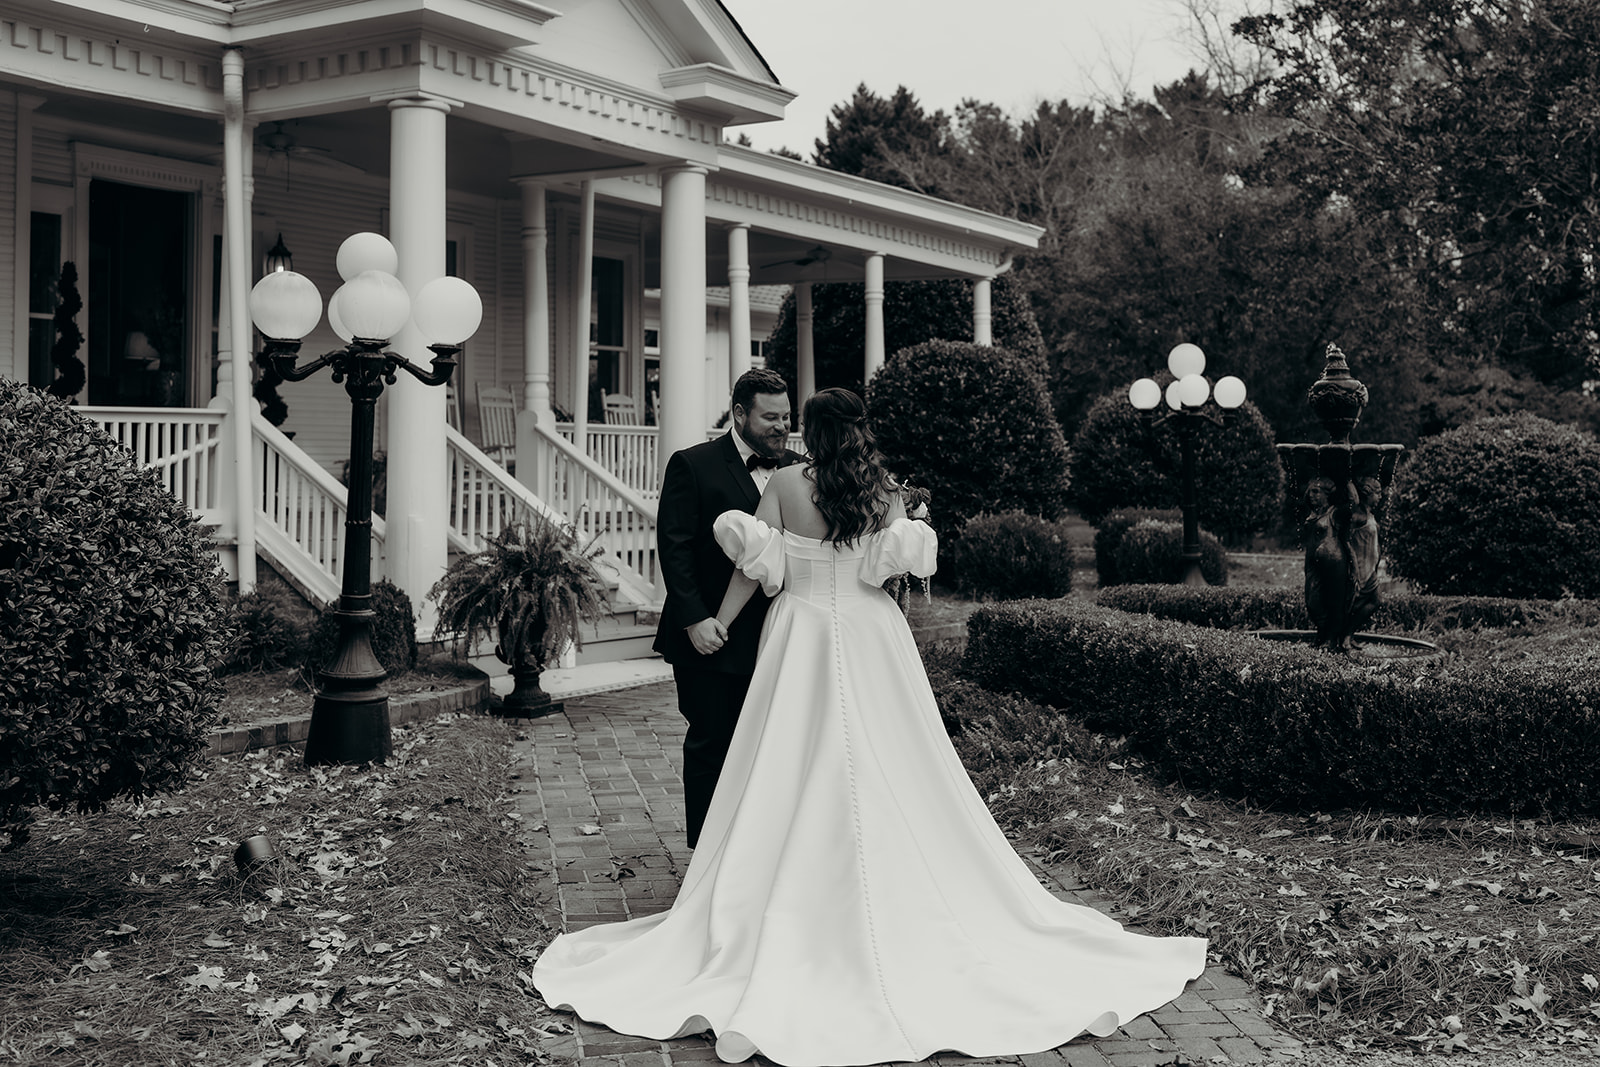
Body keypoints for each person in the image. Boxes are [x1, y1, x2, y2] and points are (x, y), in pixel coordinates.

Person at [534, 388, 1207, 1067]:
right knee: (895, 758)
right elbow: (891, 578)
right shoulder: (881, 489)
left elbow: (753, 567)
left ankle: (784, 891)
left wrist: (722, 622)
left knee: (789, 762)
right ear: (858, 432)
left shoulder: (790, 485)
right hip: (868, 634)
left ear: (813, 431)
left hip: (798, 632)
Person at [651, 367, 804, 849]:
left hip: (780, 635)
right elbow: (673, 547)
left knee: (773, 747)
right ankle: (706, 856)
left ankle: (757, 853)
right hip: (711, 636)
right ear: (739, 414)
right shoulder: (693, 465)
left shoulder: (799, 470)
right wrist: (695, 618)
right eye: (770, 417)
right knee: (712, 744)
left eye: (787, 417)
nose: (781, 427)